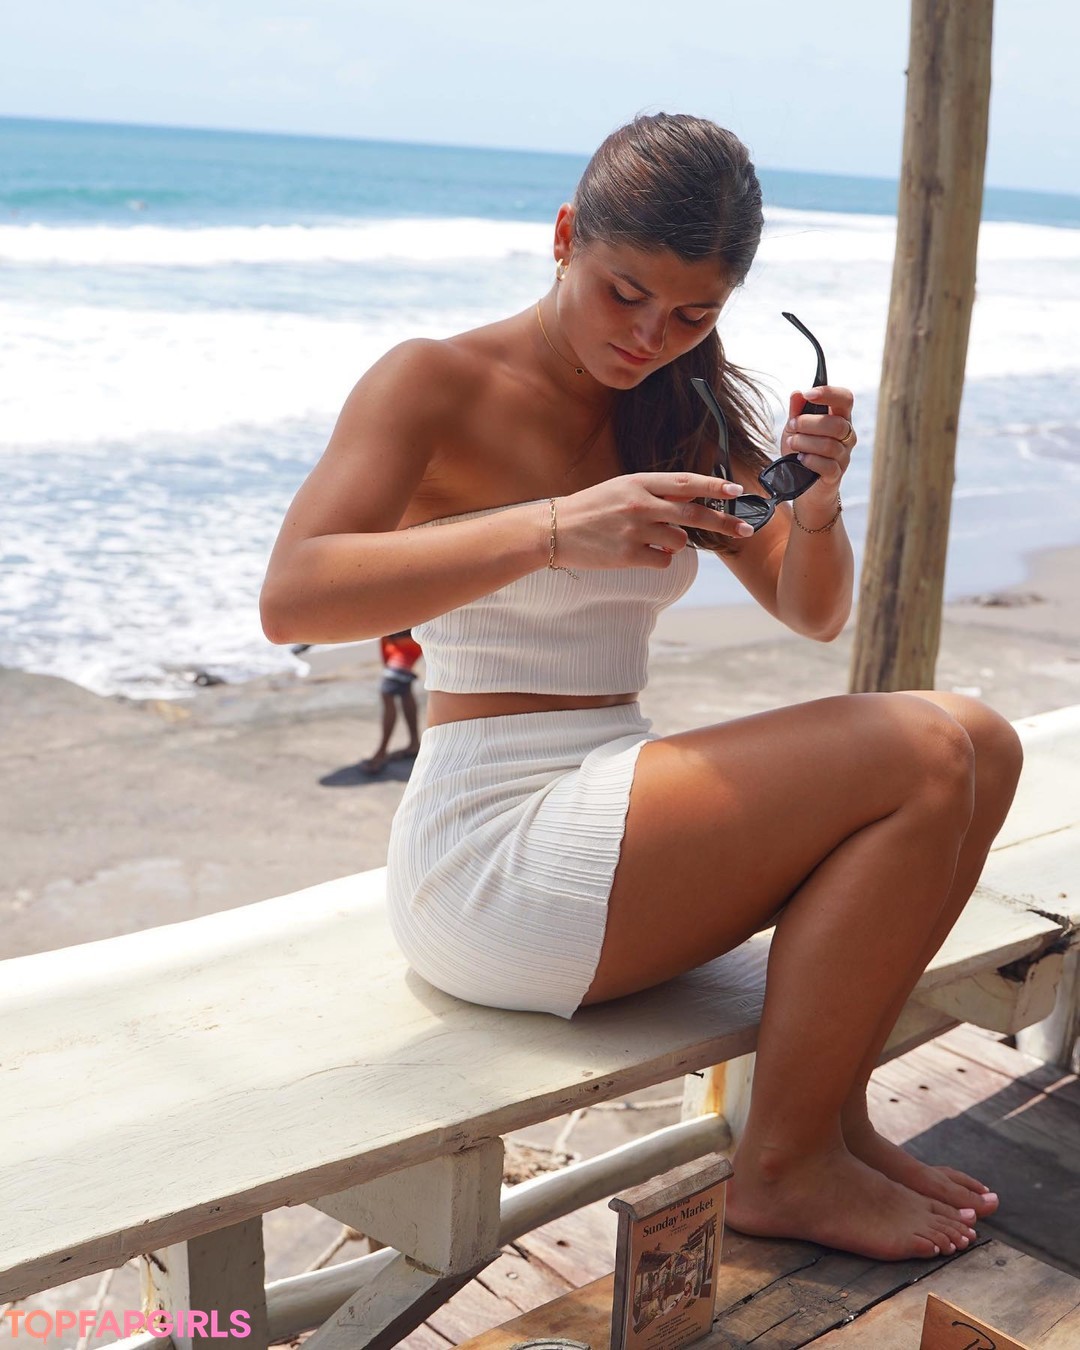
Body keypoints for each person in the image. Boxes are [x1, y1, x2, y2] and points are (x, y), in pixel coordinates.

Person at [260, 113, 1023, 1262]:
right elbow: (293, 600)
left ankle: (828, 1122)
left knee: (981, 740)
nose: (648, 336)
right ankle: (782, 1169)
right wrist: (554, 529)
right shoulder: (435, 380)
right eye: (625, 294)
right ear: (566, 235)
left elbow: (814, 611)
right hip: (489, 853)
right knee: (922, 748)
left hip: (609, 815)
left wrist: (817, 505)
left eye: (692, 315)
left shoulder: (687, 403)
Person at [359, 629, 423, 774]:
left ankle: (381, 753)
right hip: (407, 642)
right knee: (405, 691)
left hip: (402, 645)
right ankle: (414, 743)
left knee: (388, 693)